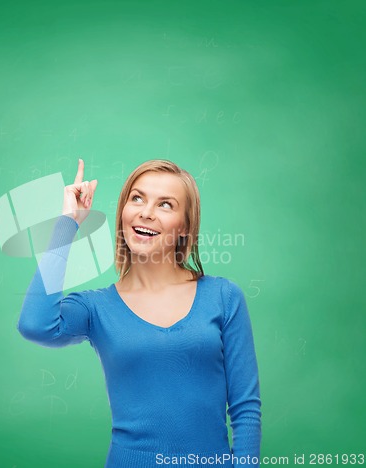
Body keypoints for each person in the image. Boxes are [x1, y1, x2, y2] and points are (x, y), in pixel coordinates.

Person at [17, 158, 262, 468]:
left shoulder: (224, 297)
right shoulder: (96, 308)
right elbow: (36, 325)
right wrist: (68, 223)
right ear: (123, 212)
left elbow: (245, 409)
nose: (146, 212)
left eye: (166, 205)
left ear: (185, 226)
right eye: (137, 198)